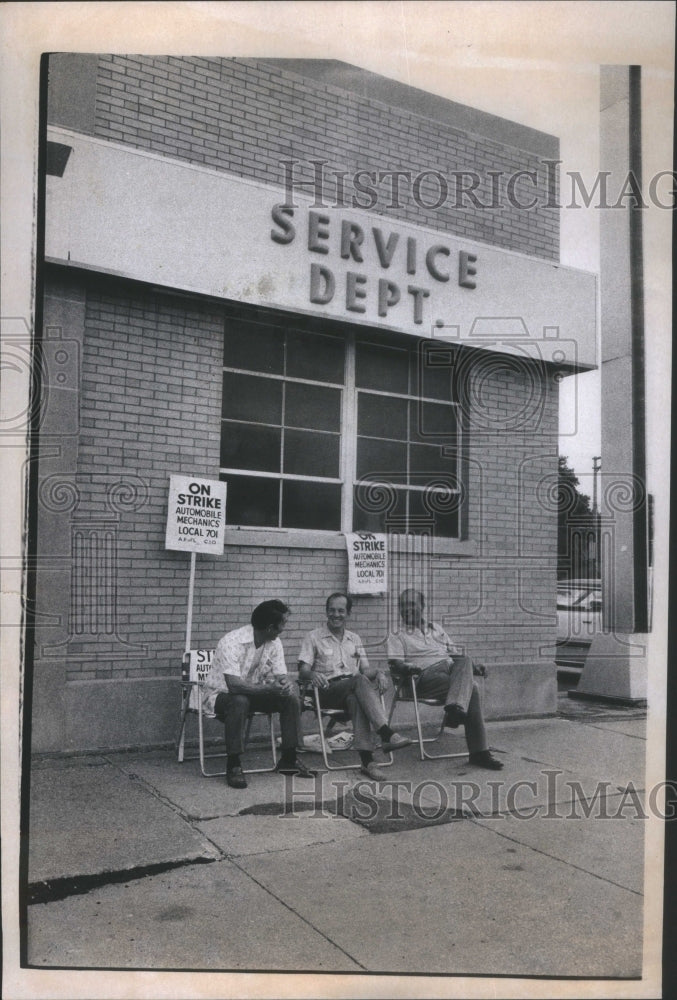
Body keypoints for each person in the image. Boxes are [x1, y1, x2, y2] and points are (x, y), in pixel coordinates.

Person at [298, 592, 412, 781]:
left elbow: (366, 670)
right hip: (325, 691)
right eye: (332, 610)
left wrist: (380, 673)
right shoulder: (313, 637)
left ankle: (367, 762)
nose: (336, 615)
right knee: (359, 681)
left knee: (356, 697)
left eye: (341, 611)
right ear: (326, 612)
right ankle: (385, 733)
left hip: (351, 691)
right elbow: (303, 670)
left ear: (348, 614)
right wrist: (313, 674)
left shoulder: (354, 639)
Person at [202, 599, 316, 789]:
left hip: (254, 693)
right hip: (220, 696)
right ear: (271, 627)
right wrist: (270, 689)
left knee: (290, 698)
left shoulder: (274, 642)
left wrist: (284, 685)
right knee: (239, 700)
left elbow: (280, 675)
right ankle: (234, 765)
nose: (284, 629)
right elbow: (234, 686)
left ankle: (289, 759)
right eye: (283, 624)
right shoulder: (231, 642)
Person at [386, 589, 503, 770]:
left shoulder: (437, 629)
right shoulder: (396, 634)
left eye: (412, 604)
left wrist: (475, 667)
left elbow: (455, 655)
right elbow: (395, 664)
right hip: (423, 678)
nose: (407, 609)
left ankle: (455, 709)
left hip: (449, 674)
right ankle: (479, 750)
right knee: (472, 688)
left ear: (422, 607)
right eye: (402, 605)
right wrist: (408, 668)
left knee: (465, 661)